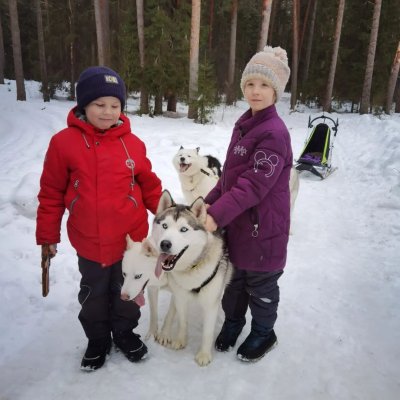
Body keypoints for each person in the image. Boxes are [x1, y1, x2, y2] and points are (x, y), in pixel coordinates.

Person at [36, 66, 162, 371]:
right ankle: (97, 339)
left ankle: (124, 333)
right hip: (89, 241)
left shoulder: (132, 143)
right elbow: (51, 193)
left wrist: (167, 216)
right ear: (83, 105)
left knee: (127, 292)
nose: (108, 112)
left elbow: (149, 185)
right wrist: (48, 236)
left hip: (130, 241)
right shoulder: (63, 143)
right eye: (99, 104)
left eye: (115, 105)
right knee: (93, 294)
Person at [204, 46, 292, 362]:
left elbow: (253, 185)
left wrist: (217, 215)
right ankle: (233, 322)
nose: (256, 91)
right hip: (240, 225)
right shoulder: (246, 124)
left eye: (264, 85)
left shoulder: (274, 133)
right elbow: (230, 177)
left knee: (261, 286)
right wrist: (207, 204)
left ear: (276, 91)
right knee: (234, 282)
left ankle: (264, 333)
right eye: (251, 84)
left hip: (263, 229)